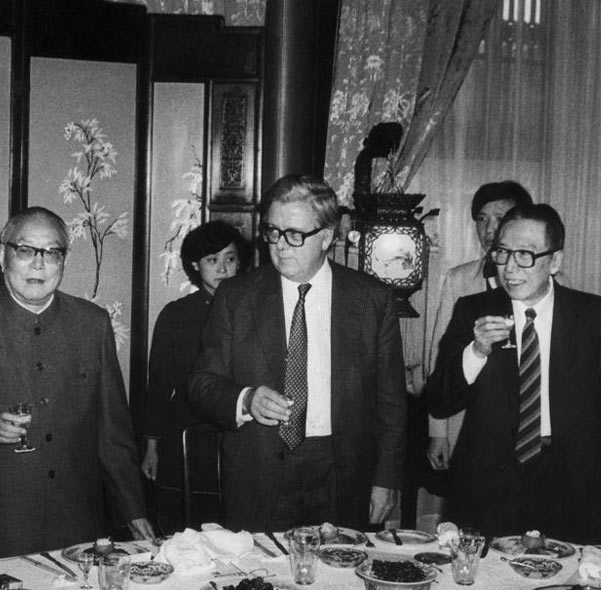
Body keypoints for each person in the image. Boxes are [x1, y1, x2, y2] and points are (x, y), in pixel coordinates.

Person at [0, 206, 153, 561]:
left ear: (64, 261)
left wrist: (133, 510)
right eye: (25, 251)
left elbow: (113, 432)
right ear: (2, 255)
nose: (39, 265)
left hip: (76, 524)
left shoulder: (93, 324)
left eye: (52, 253)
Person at [187, 174, 407, 532]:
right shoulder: (236, 297)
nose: (280, 246)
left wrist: (386, 480)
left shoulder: (372, 300)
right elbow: (201, 384)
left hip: (341, 472)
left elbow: (391, 402)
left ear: (326, 237)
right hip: (258, 472)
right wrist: (246, 399)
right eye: (273, 232)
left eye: (294, 235)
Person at [427, 203, 601, 542]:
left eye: (525, 254)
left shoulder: (591, 316)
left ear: (555, 261)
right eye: (503, 253)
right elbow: (439, 400)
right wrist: (476, 351)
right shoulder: (473, 311)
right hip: (488, 480)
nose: (509, 267)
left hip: (571, 480)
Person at [141, 220, 247, 532]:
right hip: (186, 435)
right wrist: (152, 448)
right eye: (212, 260)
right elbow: (159, 386)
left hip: (239, 435)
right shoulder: (176, 315)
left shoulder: (254, 309)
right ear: (195, 265)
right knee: (186, 528)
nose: (223, 269)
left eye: (230, 258)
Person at [426, 181, 533, 474]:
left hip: (529, 427)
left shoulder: (553, 283)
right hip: (469, 425)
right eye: (482, 219)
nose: (489, 229)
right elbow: (440, 360)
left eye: (500, 218)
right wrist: (438, 432)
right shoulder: (458, 280)